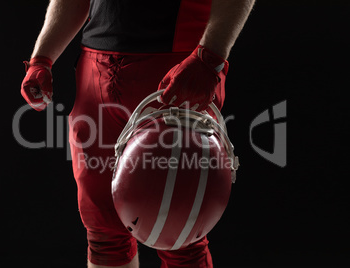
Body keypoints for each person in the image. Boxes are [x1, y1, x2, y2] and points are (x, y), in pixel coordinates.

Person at [21, 0, 255, 267]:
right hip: (94, 70)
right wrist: (42, 57)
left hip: (175, 66)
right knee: (103, 232)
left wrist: (209, 58)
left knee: (180, 235)